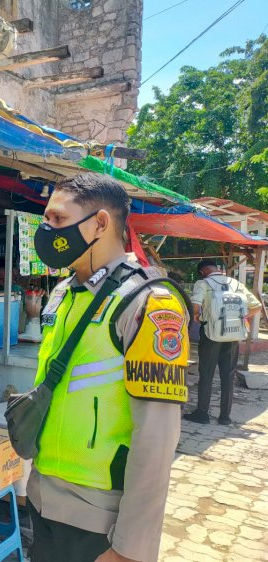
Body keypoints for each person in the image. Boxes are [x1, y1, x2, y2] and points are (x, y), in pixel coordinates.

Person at [26, 173, 190, 562]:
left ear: (100, 223)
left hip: (97, 519)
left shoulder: (149, 304)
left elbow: (157, 439)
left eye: (58, 220)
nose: (47, 231)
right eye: (46, 220)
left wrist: (131, 546)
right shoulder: (64, 293)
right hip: (42, 498)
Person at [183, 259, 261, 425]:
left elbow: (195, 306)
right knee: (228, 375)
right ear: (217, 268)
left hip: (211, 335)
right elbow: (256, 306)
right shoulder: (235, 283)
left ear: (203, 271)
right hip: (232, 336)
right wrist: (238, 317)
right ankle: (225, 417)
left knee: (207, 373)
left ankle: (202, 414)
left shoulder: (203, 283)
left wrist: (197, 317)